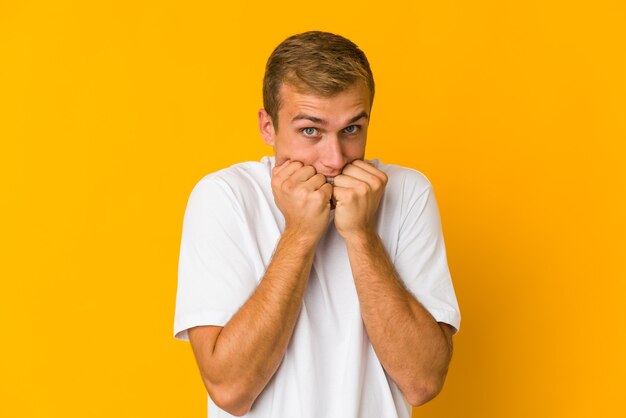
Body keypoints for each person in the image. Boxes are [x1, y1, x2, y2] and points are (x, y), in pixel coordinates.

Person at [174, 31, 461, 418]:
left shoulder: (407, 192)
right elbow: (230, 389)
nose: (334, 159)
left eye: (352, 130)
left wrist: (361, 234)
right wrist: (300, 233)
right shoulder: (224, 197)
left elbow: (423, 382)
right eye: (311, 130)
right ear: (267, 127)